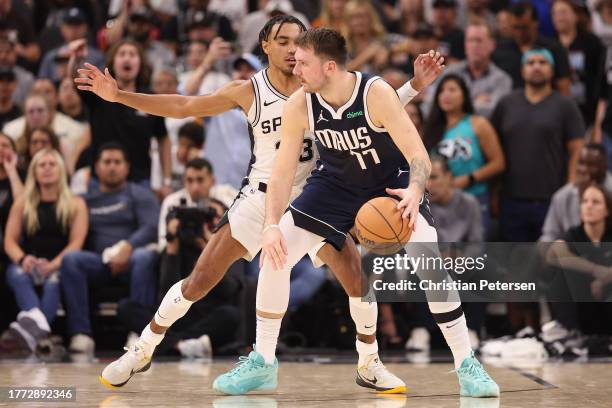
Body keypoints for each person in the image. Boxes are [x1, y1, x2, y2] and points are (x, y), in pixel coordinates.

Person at [75, 15, 444, 392]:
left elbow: (372, 109)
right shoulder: (249, 90)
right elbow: (185, 105)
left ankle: (369, 362)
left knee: (357, 278)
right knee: (199, 281)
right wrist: (120, 96)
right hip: (261, 198)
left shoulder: (320, 86)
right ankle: (142, 349)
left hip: (316, 198)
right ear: (265, 45)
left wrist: (413, 86)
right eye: (282, 41)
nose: (290, 49)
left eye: (297, 42)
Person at [215, 27, 498, 397]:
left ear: (329, 67)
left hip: (389, 184)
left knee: (429, 262)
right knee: (277, 253)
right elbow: (282, 172)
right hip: (334, 185)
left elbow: (418, 156)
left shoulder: (375, 93)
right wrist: (270, 225)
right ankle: (263, 362)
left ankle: (467, 364)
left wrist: (415, 190)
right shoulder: (300, 103)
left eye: (303, 63)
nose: (295, 69)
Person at [60, 143, 160, 354]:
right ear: (96, 167)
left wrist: (128, 246)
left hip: (132, 261)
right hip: (99, 263)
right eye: (107, 162)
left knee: (145, 256)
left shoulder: (140, 194)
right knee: (71, 260)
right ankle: (81, 334)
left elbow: (151, 227)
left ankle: (139, 333)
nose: (112, 167)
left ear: (127, 167)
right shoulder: (84, 201)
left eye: (117, 162)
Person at [491, 49, 585, 242]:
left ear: (551, 70)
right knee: (513, 259)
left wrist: (570, 186)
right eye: (530, 62)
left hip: (550, 198)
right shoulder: (506, 103)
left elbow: (577, 149)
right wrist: (494, 191)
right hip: (511, 197)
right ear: (522, 70)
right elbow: (493, 150)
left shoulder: (565, 105)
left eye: (542, 62)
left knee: (547, 262)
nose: (536, 66)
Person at [4, 149, 87, 352]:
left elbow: (76, 243)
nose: (47, 169)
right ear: (34, 171)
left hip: (59, 264)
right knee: (16, 274)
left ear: (61, 170)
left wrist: (53, 265)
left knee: (53, 283)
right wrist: (23, 259)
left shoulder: (76, 204)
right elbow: (9, 242)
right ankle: (40, 333)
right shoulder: (23, 202)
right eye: (42, 165)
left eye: (52, 164)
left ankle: (31, 331)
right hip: (30, 263)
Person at [423, 74, 505, 235]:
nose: (446, 94)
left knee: (473, 254)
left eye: (452, 90)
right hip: (438, 203)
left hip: (474, 197)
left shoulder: (478, 124)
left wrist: (470, 178)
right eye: (442, 91)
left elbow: (499, 163)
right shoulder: (430, 129)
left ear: (464, 95)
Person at [546, 183, 612, 334]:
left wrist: (604, 279)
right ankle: (569, 331)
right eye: (585, 201)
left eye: (595, 202)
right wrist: (595, 270)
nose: (589, 206)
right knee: (560, 273)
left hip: (606, 298)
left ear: (607, 210)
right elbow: (555, 253)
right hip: (582, 301)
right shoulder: (574, 234)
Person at [428, 21, 513, 118]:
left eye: (479, 40)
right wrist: (475, 102)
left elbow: (494, 113)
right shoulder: (449, 73)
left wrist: (453, 105)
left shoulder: (502, 80)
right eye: (470, 40)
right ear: (465, 45)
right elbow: (430, 105)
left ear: (492, 45)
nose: (474, 45)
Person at [492, 1, 572, 95]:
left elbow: (564, 87)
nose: (519, 33)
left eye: (524, 27)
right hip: (508, 106)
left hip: (546, 106)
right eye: (515, 27)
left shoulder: (554, 49)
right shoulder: (499, 49)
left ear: (535, 23)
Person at [540, 144, 612, 242]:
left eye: (591, 165)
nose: (584, 169)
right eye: (581, 163)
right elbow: (549, 235)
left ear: (604, 167)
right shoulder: (562, 196)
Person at [552, 0, 605, 127]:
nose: (559, 17)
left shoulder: (592, 43)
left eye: (563, 12)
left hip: (587, 111)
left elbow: (600, 78)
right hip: (557, 114)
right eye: (555, 13)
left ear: (576, 15)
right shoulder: (549, 45)